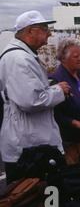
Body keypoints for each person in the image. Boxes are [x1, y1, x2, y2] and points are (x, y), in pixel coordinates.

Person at [0, 10, 71, 184]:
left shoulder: (24, 55)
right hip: (27, 149)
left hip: (32, 143)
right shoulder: (19, 59)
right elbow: (31, 100)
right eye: (44, 28)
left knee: (44, 195)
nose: (50, 33)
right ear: (29, 31)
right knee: (30, 198)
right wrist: (58, 90)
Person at [48, 38, 80, 146]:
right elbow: (54, 114)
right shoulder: (56, 79)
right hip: (70, 138)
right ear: (63, 58)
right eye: (76, 56)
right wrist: (77, 124)